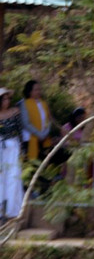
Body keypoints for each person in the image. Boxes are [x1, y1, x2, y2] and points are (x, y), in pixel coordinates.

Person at [0, 89, 23, 219]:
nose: (7, 101)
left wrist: (21, 149)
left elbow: (19, 131)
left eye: (8, 99)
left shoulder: (15, 112)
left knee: (13, 176)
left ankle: (12, 210)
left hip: (12, 146)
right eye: (4, 99)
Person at [19, 80, 52, 165]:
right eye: (36, 90)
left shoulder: (43, 103)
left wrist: (46, 132)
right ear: (29, 91)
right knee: (32, 166)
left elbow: (48, 120)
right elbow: (26, 123)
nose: (39, 92)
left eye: (40, 89)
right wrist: (39, 134)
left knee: (44, 164)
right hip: (30, 139)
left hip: (44, 138)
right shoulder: (24, 104)